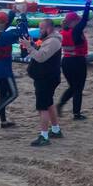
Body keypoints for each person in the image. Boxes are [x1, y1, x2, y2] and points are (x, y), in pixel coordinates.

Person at [26, 18, 64, 146]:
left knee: (42, 107)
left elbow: (41, 57)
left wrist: (29, 48)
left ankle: (44, 136)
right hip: (48, 77)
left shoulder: (53, 41)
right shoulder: (49, 38)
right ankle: (55, 129)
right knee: (48, 103)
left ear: (48, 29)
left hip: (46, 78)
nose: (39, 30)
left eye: (41, 28)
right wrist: (31, 44)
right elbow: (39, 47)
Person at [0, 9, 26, 127]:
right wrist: (23, 16)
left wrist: (13, 12)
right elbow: (21, 31)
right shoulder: (4, 37)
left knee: (3, 94)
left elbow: (4, 25)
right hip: (4, 70)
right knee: (13, 94)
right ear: (4, 23)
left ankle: (3, 121)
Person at [56, 0, 92, 119]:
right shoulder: (75, 31)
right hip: (77, 61)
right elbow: (85, 20)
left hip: (66, 61)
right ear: (73, 21)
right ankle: (76, 114)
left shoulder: (62, 31)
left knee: (73, 86)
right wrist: (88, 4)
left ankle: (60, 104)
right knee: (78, 88)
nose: (79, 22)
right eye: (77, 20)